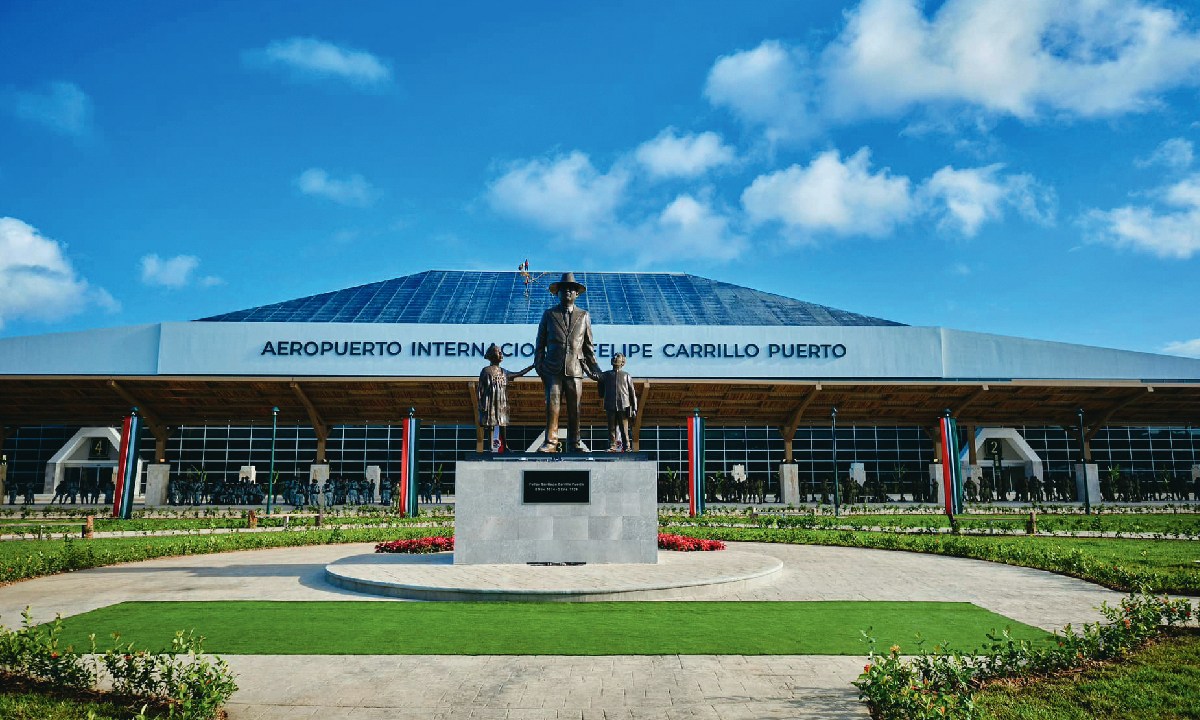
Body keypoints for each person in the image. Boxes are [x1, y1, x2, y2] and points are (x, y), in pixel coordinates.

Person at [533, 272, 601, 453]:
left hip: (575, 369)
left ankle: (574, 443)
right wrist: (539, 365)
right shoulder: (549, 314)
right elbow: (540, 343)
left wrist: (596, 370)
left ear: (577, 294)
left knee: (575, 409)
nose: (568, 292)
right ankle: (551, 442)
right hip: (552, 368)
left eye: (572, 289)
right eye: (564, 290)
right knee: (552, 406)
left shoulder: (584, 315)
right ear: (558, 293)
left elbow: (588, 347)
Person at [477, 343, 533, 453]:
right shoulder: (486, 371)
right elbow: (480, 388)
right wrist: (480, 403)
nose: (501, 354)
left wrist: (531, 367)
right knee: (490, 423)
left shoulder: (504, 372)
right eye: (499, 352)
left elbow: (519, 374)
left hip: (501, 401)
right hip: (490, 401)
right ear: (493, 355)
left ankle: (505, 446)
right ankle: (490, 447)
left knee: (502, 423)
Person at [597, 352, 638, 452]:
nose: (615, 358)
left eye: (618, 357)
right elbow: (601, 392)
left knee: (624, 429)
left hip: (623, 405)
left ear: (622, 362)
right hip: (610, 405)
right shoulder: (606, 375)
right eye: (614, 356)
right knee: (611, 428)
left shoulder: (626, 375)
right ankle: (612, 446)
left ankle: (627, 446)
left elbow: (632, 393)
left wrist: (635, 408)